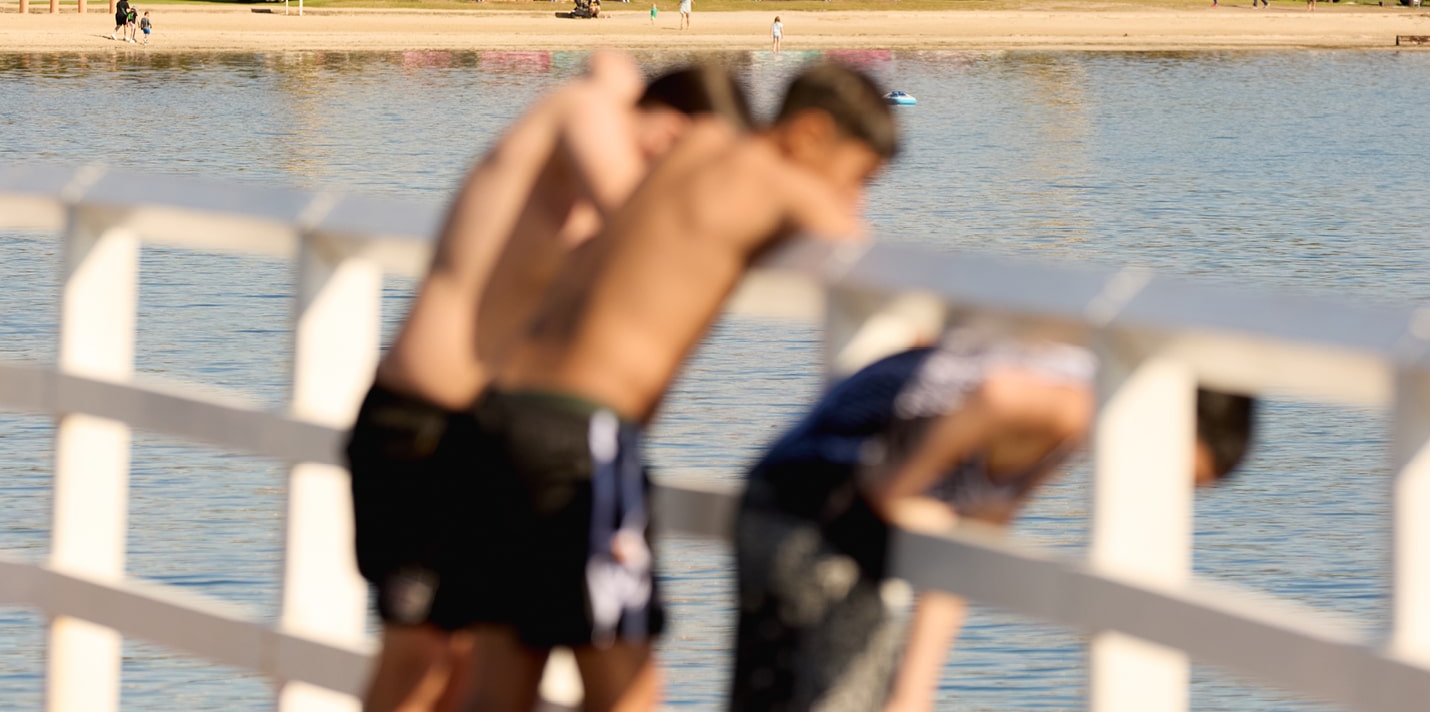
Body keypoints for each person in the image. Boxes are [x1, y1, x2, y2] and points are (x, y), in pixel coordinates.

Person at [453, 62, 900, 712]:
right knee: (628, 689)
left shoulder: (698, 147)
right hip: (578, 435)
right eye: (856, 178)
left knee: (503, 682)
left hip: (503, 412)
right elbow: (853, 241)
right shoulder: (775, 180)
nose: (855, 198)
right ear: (807, 134)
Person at [348, 56, 752, 712]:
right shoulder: (582, 111)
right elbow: (634, 202)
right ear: (674, 128)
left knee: (469, 659)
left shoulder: (601, 167)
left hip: (485, 432)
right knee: (420, 652)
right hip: (417, 419)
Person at [730, 330, 1256, 712]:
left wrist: (915, 689)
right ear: (1164, 417)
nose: (1155, 492)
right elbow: (998, 395)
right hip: (817, 508)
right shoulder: (1076, 403)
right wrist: (900, 488)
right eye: (1172, 474)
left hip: (790, 501)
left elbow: (974, 540)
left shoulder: (1063, 431)